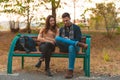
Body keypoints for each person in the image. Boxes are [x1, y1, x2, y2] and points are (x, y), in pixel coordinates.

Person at [55, 12, 88, 78]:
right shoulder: (61, 29)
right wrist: (66, 40)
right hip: (64, 48)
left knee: (71, 47)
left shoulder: (76, 28)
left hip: (74, 48)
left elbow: (78, 39)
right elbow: (59, 41)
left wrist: (69, 40)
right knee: (57, 38)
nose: (65, 22)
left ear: (70, 18)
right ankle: (79, 44)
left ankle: (70, 71)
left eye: (66, 20)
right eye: (64, 21)